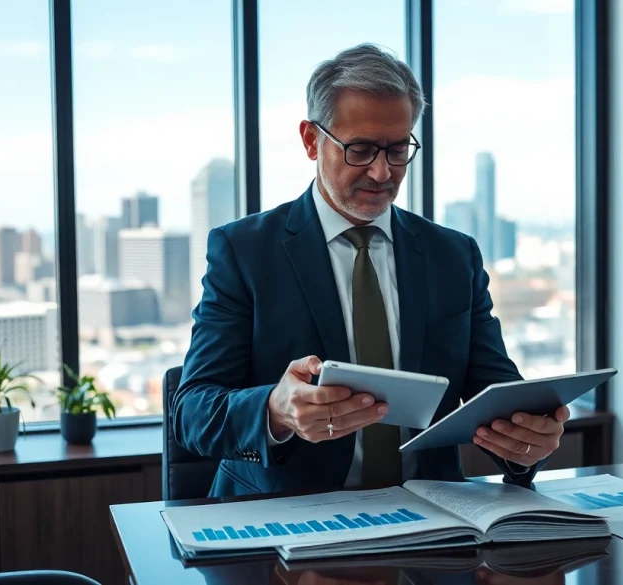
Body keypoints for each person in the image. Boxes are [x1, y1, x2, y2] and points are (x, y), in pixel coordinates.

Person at [172, 43, 569, 498]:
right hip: (287, 524)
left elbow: (495, 395)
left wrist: (528, 442)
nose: (383, 173)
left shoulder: (454, 256)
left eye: (398, 150)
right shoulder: (243, 251)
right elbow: (192, 412)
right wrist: (276, 409)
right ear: (310, 140)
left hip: (432, 528)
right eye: (360, 150)